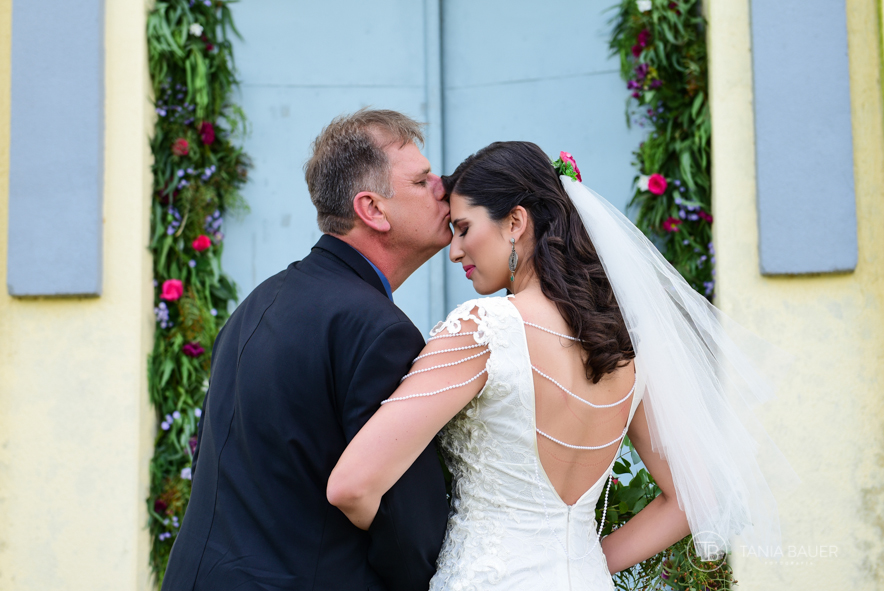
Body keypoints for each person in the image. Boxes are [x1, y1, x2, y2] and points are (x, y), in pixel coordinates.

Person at [329, 141, 787, 589]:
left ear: (515, 222)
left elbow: (352, 485)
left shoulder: (483, 330)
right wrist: (586, 564)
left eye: (464, 228)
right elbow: (695, 498)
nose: (454, 251)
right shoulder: (624, 345)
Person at [162, 109, 452, 591]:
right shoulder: (380, 330)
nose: (443, 186)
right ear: (372, 209)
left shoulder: (259, 301)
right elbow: (407, 527)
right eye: (422, 181)